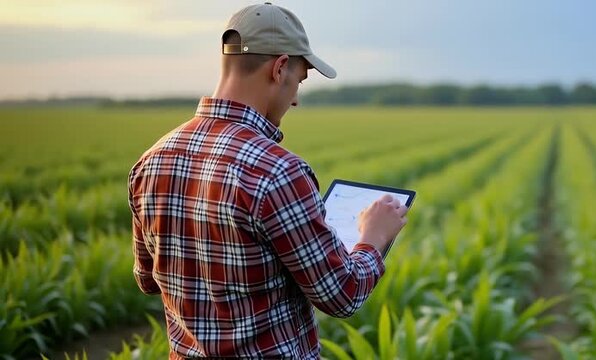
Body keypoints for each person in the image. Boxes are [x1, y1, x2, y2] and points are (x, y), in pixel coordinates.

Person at [127, 2, 407, 358]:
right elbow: (343, 295)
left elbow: (148, 279)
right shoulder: (277, 171)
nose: (295, 101)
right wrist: (373, 237)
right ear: (279, 69)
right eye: (299, 80)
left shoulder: (151, 161)